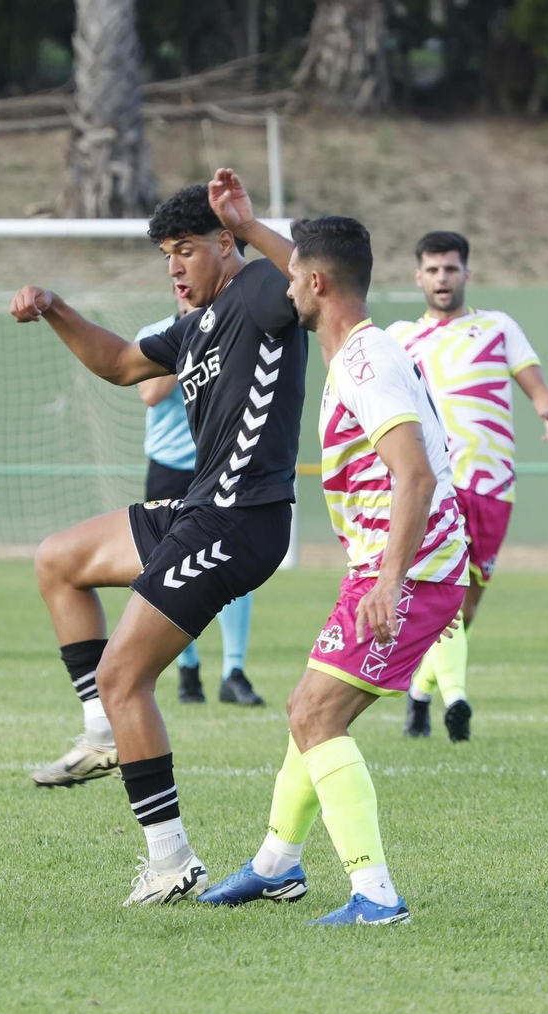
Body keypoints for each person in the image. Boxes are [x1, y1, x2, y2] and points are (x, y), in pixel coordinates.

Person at [12, 182, 308, 906]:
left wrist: (250, 225)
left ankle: (171, 861)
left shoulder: (263, 291)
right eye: (166, 254)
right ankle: (99, 731)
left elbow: (317, 273)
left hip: (239, 519)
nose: (174, 266)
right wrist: (54, 308)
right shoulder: (197, 325)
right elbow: (117, 362)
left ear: (223, 244)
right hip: (196, 506)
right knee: (59, 559)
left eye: (186, 250)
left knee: (125, 678)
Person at [196, 170, 467, 925]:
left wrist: (389, 579)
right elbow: (304, 265)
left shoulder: (364, 363)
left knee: (316, 717)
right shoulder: (358, 342)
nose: (285, 290)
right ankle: (276, 866)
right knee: (307, 710)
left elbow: (412, 474)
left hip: (410, 572)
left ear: (316, 284)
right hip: (391, 566)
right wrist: (247, 226)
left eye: (293, 280)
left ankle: (376, 896)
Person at [387, 233, 548, 741]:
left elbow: (535, 382)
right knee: (448, 589)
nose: (443, 278)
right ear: (418, 277)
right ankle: (456, 699)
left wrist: (546, 402)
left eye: (451, 268)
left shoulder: (497, 327)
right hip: (434, 485)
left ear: (466, 273)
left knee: (468, 605)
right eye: (433, 269)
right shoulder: (399, 338)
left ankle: (419, 695)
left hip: (492, 485)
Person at [135, 295, 264, 707]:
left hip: (221, 467)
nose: (184, 286)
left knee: (236, 563)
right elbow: (151, 393)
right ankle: (186, 669)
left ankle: (234, 671)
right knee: (165, 567)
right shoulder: (153, 333)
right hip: (169, 468)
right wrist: (191, 334)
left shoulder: (235, 331)